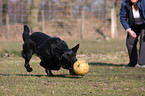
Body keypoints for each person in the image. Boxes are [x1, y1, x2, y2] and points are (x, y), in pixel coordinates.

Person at [120, 0, 145, 67]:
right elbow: (122, 19)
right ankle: (133, 63)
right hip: (133, 25)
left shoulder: (144, 2)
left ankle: (142, 63)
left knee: (143, 40)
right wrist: (129, 30)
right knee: (130, 42)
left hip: (144, 24)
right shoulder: (125, 4)